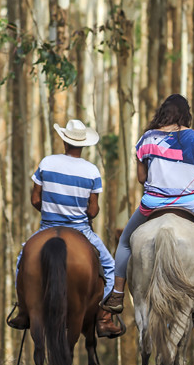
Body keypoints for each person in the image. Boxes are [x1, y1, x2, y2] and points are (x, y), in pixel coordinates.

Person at [101, 94, 194, 316]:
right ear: (185, 115)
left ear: (163, 113)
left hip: (152, 203)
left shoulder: (147, 139)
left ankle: (117, 293)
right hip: (190, 204)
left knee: (124, 242)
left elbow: (142, 178)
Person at [8, 119, 122, 338]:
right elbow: (93, 209)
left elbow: (35, 199)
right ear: (83, 144)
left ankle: (23, 310)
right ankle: (104, 317)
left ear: (64, 141)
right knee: (110, 267)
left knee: (22, 259)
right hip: (81, 230)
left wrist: (50, 209)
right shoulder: (92, 170)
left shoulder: (47, 163)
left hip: (47, 226)